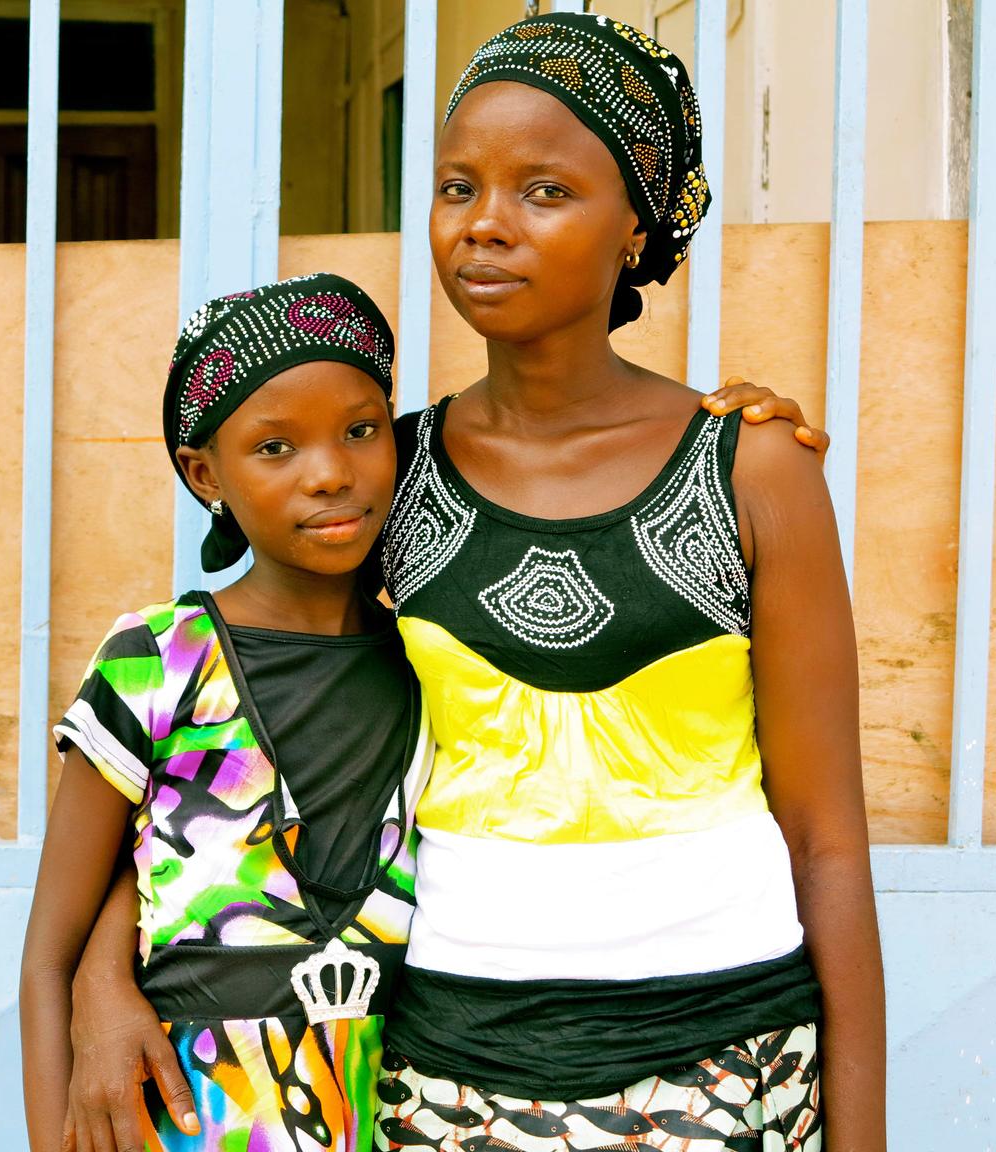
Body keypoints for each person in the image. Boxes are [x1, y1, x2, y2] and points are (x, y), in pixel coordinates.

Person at [57, 12, 878, 1152]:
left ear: (634, 221)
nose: (486, 226)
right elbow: (225, 739)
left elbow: (828, 837)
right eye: (457, 188)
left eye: (544, 191)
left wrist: (863, 1132)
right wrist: (102, 968)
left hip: (732, 1049)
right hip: (449, 1061)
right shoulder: (386, 474)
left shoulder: (752, 468)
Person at [21, 273, 433, 1151]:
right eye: (275, 448)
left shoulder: (434, 662)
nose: (329, 473)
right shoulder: (156, 662)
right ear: (206, 474)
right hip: (182, 1123)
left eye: (361, 431)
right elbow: (50, 958)